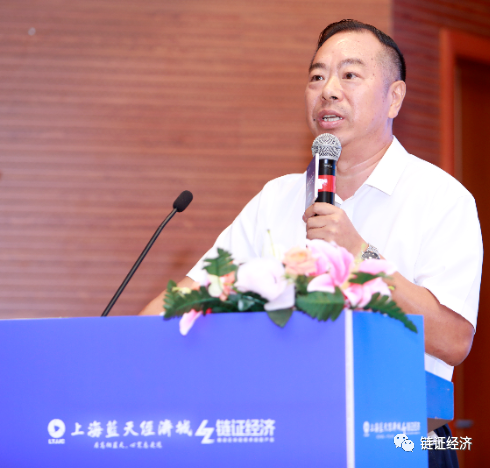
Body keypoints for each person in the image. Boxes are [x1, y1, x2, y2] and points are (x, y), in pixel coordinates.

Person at [140, 20, 482, 467]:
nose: (328, 91)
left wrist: (360, 254)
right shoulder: (276, 198)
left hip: (406, 444)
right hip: (283, 444)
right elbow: (184, 298)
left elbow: (454, 339)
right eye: (317, 77)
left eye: (350, 75)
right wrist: (124, 341)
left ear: (394, 97)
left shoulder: (442, 198)